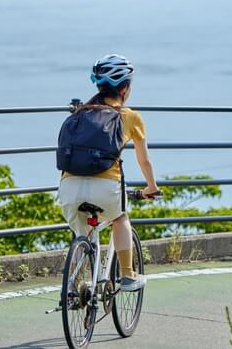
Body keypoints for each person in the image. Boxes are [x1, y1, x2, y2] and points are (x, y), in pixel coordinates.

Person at [57, 53, 160, 291]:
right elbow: (144, 160)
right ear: (125, 88)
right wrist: (151, 187)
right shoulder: (130, 117)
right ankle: (127, 276)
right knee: (120, 218)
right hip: (106, 189)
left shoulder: (79, 112)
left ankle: (72, 286)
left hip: (69, 188)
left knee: (83, 233)